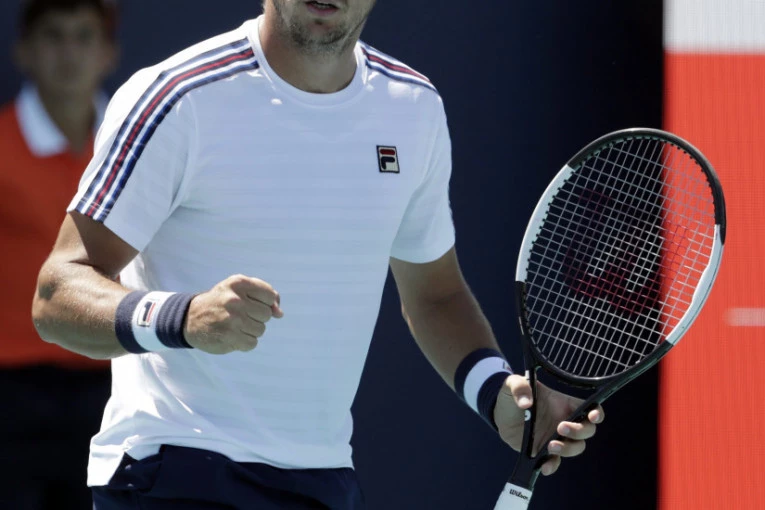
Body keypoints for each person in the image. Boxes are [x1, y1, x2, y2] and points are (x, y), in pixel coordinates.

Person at [32, 1, 604, 508]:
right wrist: (181, 317)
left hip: (323, 479)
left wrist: (496, 394)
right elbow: (57, 293)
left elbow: (435, 294)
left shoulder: (413, 108)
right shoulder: (175, 96)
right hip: (172, 467)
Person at [0, 0, 118, 508]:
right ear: (23, 51)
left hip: (115, 388)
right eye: (53, 36)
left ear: (109, 53)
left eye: (84, 36)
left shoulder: (140, 148)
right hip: (11, 393)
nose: (69, 53)